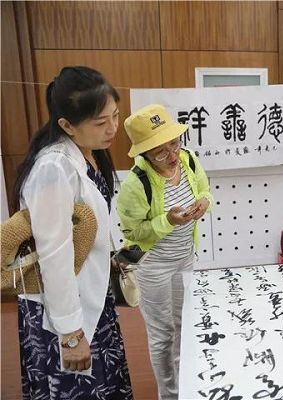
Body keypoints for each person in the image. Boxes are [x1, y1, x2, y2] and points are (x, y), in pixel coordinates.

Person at [12, 66, 133, 398]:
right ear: (66, 125)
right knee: (78, 386)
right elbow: (53, 256)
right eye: (100, 122)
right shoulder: (53, 168)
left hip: (89, 294)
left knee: (105, 381)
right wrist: (70, 334)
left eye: (115, 116)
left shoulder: (87, 152)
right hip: (61, 309)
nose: (112, 128)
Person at [116, 103, 213, 400]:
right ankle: (169, 394)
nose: (171, 155)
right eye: (160, 152)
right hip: (153, 266)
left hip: (185, 258)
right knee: (162, 335)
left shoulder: (188, 160)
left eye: (174, 143)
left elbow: (204, 190)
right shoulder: (135, 185)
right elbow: (133, 234)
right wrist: (167, 221)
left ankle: (187, 388)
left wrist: (204, 203)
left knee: (185, 326)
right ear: (144, 153)